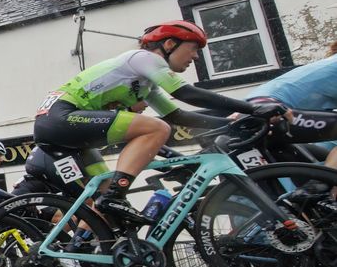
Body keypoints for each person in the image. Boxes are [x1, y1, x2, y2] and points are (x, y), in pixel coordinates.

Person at [33, 20, 284, 221]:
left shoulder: (146, 85)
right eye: (194, 48)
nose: (195, 57)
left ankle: (98, 251)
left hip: (63, 129)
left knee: (105, 206)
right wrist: (252, 109)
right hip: (61, 116)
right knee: (155, 130)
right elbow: (186, 94)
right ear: (170, 43)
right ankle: (115, 194)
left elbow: (178, 116)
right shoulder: (143, 59)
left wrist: (228, 124)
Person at [245, 41, 337, 169]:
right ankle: (319, 185)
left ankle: (320, 181)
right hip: (273, 107)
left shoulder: (331, 63)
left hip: (258, 105)